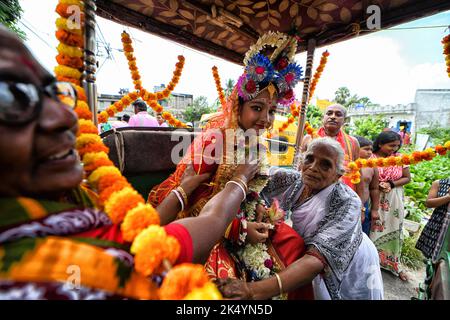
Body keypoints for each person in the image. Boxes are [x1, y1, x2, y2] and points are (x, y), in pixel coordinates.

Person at [0, 26, 258, 299]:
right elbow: (167, 241)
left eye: (57, 93)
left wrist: (188, 192)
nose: (65, 117)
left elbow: (139, 236)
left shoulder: (76, 197)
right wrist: (238, 182)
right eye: (12, 95)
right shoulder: (42, 273)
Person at [149, 32, 314, 299]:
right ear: (239, 107)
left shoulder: (256, 142)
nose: (265, 119)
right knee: (221, 283)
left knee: (294, 243)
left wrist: (259, 210)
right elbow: (191, 198)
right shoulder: (216, 140)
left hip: (244, 219)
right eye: (257, 108)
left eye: (271, 111)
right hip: (208, 227)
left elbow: (252, 189)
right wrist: (237, 229)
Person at [217, 138, 383, 300]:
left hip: (350, 258)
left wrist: (252, 291)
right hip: (311, 255)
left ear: (338, 175)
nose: (313, 167)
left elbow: (317, 260)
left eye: (325, 164)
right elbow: (256, 186)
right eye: (310, 159)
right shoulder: (292, 180)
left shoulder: (347, 202)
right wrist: (259, 203)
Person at [370, 131, 411, 281]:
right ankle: (369, 260)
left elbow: (407, 178)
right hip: (374, 197)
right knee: (373, 227)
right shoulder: (371, 157)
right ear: (380, 144)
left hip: (393, 199)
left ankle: (392, 263)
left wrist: (390, 184)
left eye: (397, 146)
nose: (394, 149)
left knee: (393, 227)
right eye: (391, 145)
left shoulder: (400, 158)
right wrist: (377, 184)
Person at [301, 104, 359, 190]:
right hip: (312, 188)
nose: (333, 117)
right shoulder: (309, 138)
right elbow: (301, 165)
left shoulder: (353, 142)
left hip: (343, 190)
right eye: (329, 113)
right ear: (322, 118)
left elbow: (357, 171)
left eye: (338, 114)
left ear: (344, 120)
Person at [415, 178, 450, 263]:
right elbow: (428, 203)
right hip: (438, 225)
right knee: (431, 257)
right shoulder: (439, 183)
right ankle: (430, 274)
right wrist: (448, 197)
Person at [355, 136, 380, 236]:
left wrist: (374, 210)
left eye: (371, 149)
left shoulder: (372, 166)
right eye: (366, 149)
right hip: (346, 204)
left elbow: (374, 189)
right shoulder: (347, 164)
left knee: (361, 234)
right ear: (355, 148)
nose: (369, 152)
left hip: (363, 205)